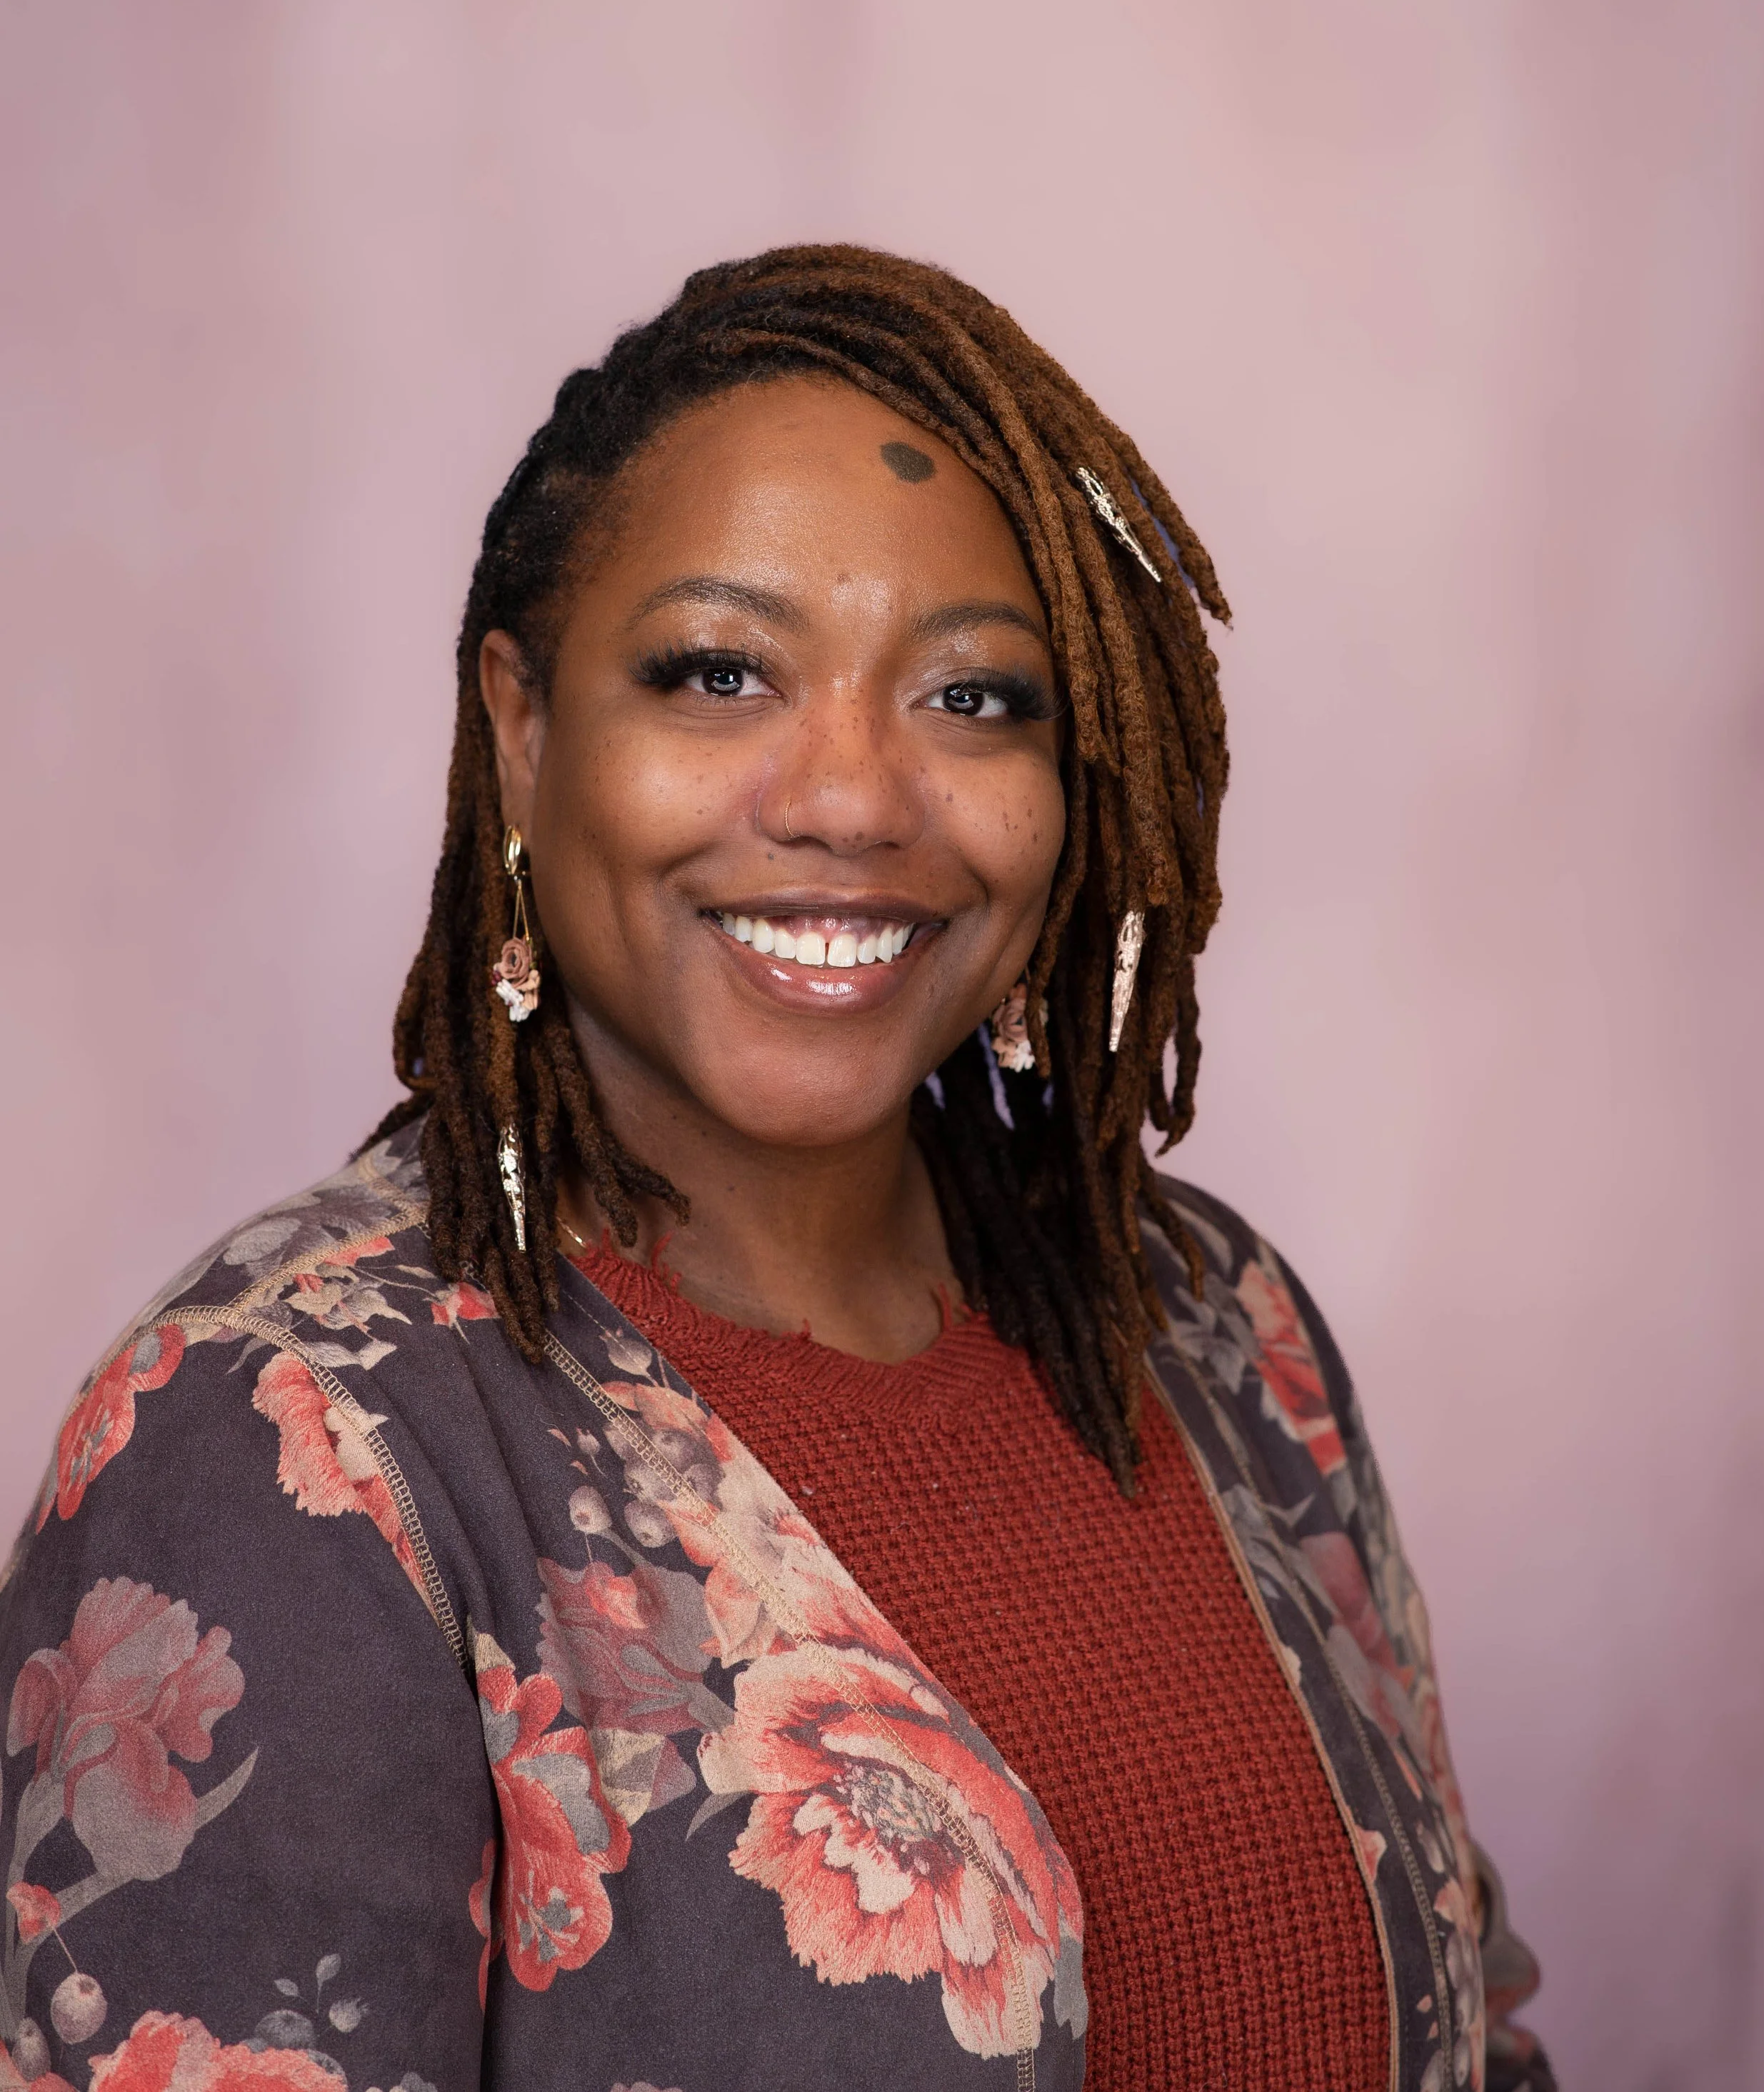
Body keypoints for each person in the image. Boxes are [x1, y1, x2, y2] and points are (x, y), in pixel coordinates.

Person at [0, 246, 1553, 2092]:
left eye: (974, 697)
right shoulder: (284, 1447)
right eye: (720, 673)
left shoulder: (1217, 1331)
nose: (850, 798)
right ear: (521, 729)